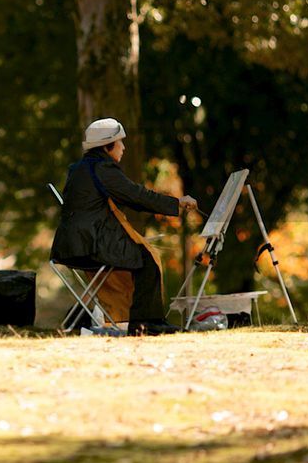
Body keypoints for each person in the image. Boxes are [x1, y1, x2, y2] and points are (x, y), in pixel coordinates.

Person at [51, 117, 198, 336]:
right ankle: (146, 323)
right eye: (120, 142)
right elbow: (135, 195)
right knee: (146, 258)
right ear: (107, 145)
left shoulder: (80, 168)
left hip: (71, 246)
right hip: (90, 245)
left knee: (140, 256)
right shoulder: (103, 167)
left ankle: (145, 321)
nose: (124, 147)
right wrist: (176, 203)